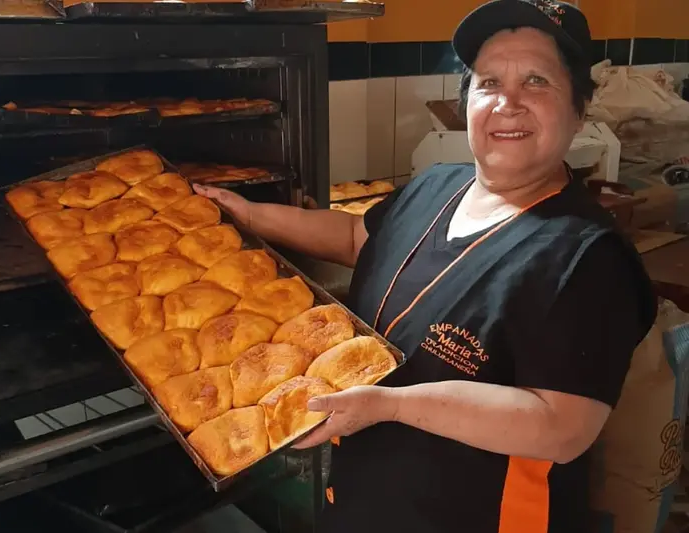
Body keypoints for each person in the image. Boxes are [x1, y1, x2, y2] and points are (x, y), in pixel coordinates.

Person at [194, 1, 657, 531]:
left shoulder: (588, 258)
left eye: (536, 81)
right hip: (364, 504)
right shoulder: (436, 185)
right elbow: (356, 237)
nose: (508, 102)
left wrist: (389, 405)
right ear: (466, 103)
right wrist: (249, 215)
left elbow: (561, 428)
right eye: (488, 82)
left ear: (579, 109)